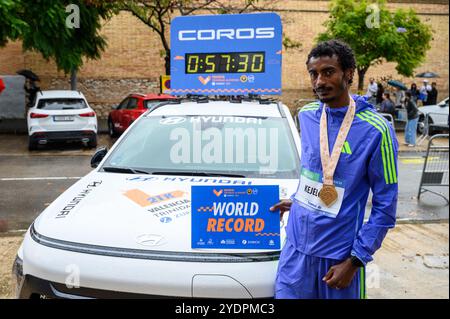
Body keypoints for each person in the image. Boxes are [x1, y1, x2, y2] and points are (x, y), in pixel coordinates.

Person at [270, 39, 398, 299]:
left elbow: (385, 208)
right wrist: (299, 202)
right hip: (295, 253)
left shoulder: (377, 130)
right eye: (313, 74)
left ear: (349, 73)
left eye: (328, 72)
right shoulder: (306, 116)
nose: (319, 81)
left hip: (338, 258)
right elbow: (315, 173)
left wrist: (356, 261)